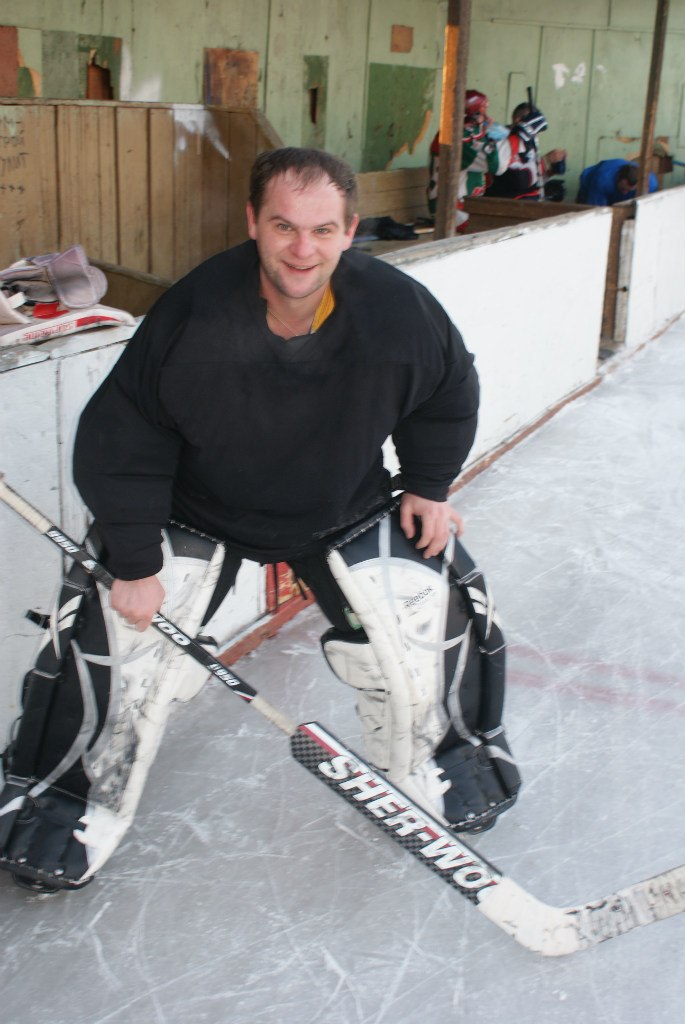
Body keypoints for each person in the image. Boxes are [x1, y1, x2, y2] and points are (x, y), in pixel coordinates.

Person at [0, 148, 520, 891]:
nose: (302, 249)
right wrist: (136, 562)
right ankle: (60, 800)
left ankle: (443, 762)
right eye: (283, 226)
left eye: (322, 230)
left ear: (350, 231)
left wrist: (429, 486)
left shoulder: (398, 311)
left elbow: (448, 389)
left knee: (435, 602)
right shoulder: (195, 313)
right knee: (111, 634)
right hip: (197, 508)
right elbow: (122, 439)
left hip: (341, 504)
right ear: (252, 222)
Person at [427, 89, 548, 229]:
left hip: (465, 206)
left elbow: (495, 146)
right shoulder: (458, 137)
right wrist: (522, 134)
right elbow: (498, 165)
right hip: (452, 211)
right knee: (509, 231)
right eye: (481, 114)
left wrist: (521, 134)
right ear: (469, 115)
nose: (487, 119)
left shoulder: (463, 132)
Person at [485, 102, 567, 201]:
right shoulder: (500, 138)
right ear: (518, 120)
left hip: (527, 202)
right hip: (502, 202)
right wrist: (545, 162)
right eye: (532, 123)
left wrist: (550, 171)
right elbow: (518, 180)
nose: (535, 130)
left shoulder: (528, 141)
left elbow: (535, 181)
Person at [577, 158, 658, 206]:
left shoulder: (650, 184)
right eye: (623, 189)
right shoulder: (602, 181)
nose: (625, 193)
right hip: (589, 182)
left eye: (629, 190)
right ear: (618, 177)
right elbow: (595, 211)